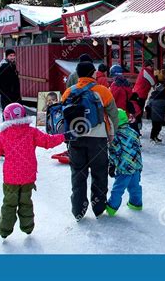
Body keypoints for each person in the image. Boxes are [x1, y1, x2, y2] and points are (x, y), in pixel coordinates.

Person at [0, 103, 65, 238]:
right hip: (28, 176)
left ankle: (4, 230)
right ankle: (27, 227)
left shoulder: (3, 135)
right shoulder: (31, 132)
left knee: (9, 204)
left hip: (10, 178)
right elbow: (48, 141)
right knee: (26, 202)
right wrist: (63, 136)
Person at [62, 61, 119, 221]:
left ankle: (78, 210)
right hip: (98, 139)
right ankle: (98, 207)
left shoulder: (69, 92)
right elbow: (113, 114)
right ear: (91, 73)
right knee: (99, 173)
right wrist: (113, 134)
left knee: (78, 174)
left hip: (75, 138)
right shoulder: (102, 91)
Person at [106, 109, 143, 216]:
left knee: (118, 188)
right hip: (136, 165)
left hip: (124, 167)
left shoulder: (115, 135)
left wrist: (112, 165)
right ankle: (136, 204)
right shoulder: (133, 132)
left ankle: (111, 207)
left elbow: (115, 152)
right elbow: (137, 149)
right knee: (135, 187)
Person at [130, 59, 156, 134]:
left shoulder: (145, 71)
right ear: (148, 66)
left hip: (140, 95)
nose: (152, 67)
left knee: (138, 112)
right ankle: (136, 130)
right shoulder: (145, 71)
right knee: (138, 113)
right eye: (151, 66)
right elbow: (153, 82)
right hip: (139, 95)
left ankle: (137, 129)